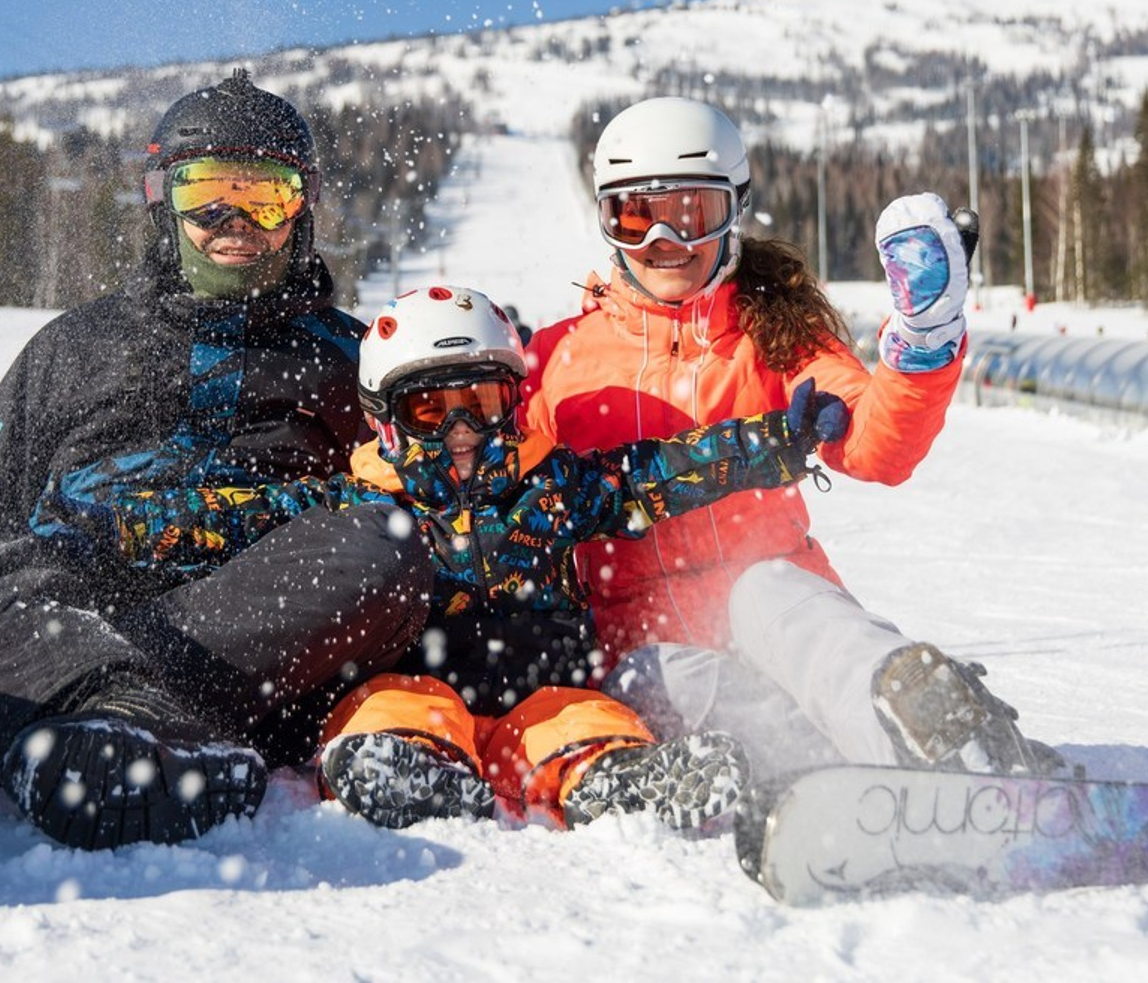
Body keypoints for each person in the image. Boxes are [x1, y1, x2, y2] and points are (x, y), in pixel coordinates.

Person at [0, 70, 432, 851]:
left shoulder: (348, 358)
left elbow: (429, 494)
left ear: (301, 207)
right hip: (54, 614)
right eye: (207, 194)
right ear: (160, 198)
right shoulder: (75, 344)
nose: (234, 220)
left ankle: (86, 719)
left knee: (388, 540)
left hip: (221, 637)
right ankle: (101, 711)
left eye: (265, 194)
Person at [94, 286, 848, 831]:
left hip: (542, 687)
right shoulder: (355, 504)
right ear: (387, 421)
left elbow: (657, 471)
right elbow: (239, 519)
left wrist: (775, 441)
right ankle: (398, 767)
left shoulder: (551, 483)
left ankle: (616, 774)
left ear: (510, 404)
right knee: (388, 707)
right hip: (412, 679)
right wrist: (121, 525)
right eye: (430, 408)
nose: (460, 429)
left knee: (581, 717)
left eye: (480, 404)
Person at [521, 96, 1059, 782]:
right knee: (666, 671)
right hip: (645, 655)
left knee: (768, 587)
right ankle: (831, 767)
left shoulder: (771, 335)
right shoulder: (558, 362)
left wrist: (921, 348)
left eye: (692, 215)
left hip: (785, 628)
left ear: (732, 214)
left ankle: (935, 727)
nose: (664, 243)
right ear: (607, 222)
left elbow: (876, 445)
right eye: (635, 217)